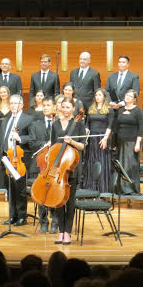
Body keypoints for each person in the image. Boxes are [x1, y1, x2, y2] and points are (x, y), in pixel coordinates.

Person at [49, 97, 86, 244]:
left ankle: (68, 232)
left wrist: (72, 142)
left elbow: (83, 146)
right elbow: (53, 145)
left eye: (68, 107)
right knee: (58, 201)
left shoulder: (78, 123)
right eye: (63, 107)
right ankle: (61, 231)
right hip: (58, 167)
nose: (65, 110)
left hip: (72, 167)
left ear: (73, 109)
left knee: (69, 201)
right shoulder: (55, 125)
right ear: (59, 108)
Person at [0, 94, 33, 226]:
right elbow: (1, 139)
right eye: (11, 103)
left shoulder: (28, 119)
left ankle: (22, 216)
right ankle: (12, 216)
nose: (13, 106)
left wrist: (21, 138)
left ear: (22, 105)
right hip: (6, 158)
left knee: (20, 189)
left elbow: (32, 138)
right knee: (10, 189)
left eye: (16, 103)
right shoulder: (5, 119)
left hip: (19, 160)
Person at [29, 97, 57, 233]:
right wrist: (45, 144)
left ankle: (55, 222)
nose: (45, 107)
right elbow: (32, 142)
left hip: (55, 164)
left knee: (55, 192)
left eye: (48, 105)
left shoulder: (58, 124)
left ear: (54, 107)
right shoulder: (35, 124)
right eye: (44, 105)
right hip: (40, 163)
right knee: (41, 193)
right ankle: (43, 222)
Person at [81, 88, 113, 193]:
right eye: (96, 95)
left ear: (104, 96)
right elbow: (87, 124)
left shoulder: (109, 109)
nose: (97, 97)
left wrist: (105, 138)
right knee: (91, 160)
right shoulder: (91, 108)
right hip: (92, 138)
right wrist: (86, 134)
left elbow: (110, 125)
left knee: (101, 161)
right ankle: (90, 187)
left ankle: (102, 188)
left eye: (99, 95)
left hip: (102, 138)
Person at [112, 89, 143, 195]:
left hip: (132, 142)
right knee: (121, 166)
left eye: (130, 96)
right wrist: (114, 143)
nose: (127, 97)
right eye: (126, 95)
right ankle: (121, 188)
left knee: (130, 165)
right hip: (120, 142)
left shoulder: (138, 111)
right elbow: (115, 127)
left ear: (134, 99)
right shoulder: (120, 110)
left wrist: (138, 142)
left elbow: (141, 128)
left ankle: (131, 189)